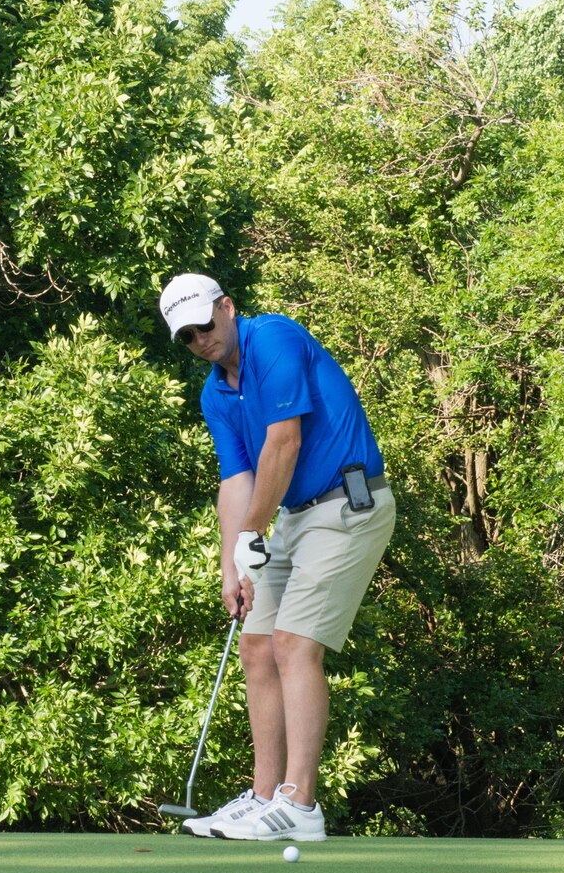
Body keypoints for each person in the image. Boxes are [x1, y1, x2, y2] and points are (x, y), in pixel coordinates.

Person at [157, 273, 396, 842]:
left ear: (227, 308)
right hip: (289, 516)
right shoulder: (215, 393)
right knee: (257, 647)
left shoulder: (275, 339)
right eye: (186, 336)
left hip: (348, 504)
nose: (199, 339)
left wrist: (254, 530)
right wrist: (230, 566)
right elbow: (237, 480)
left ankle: (301, 805)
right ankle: (265, 797)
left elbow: (283, 442)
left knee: (293, 643)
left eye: (204, 325)